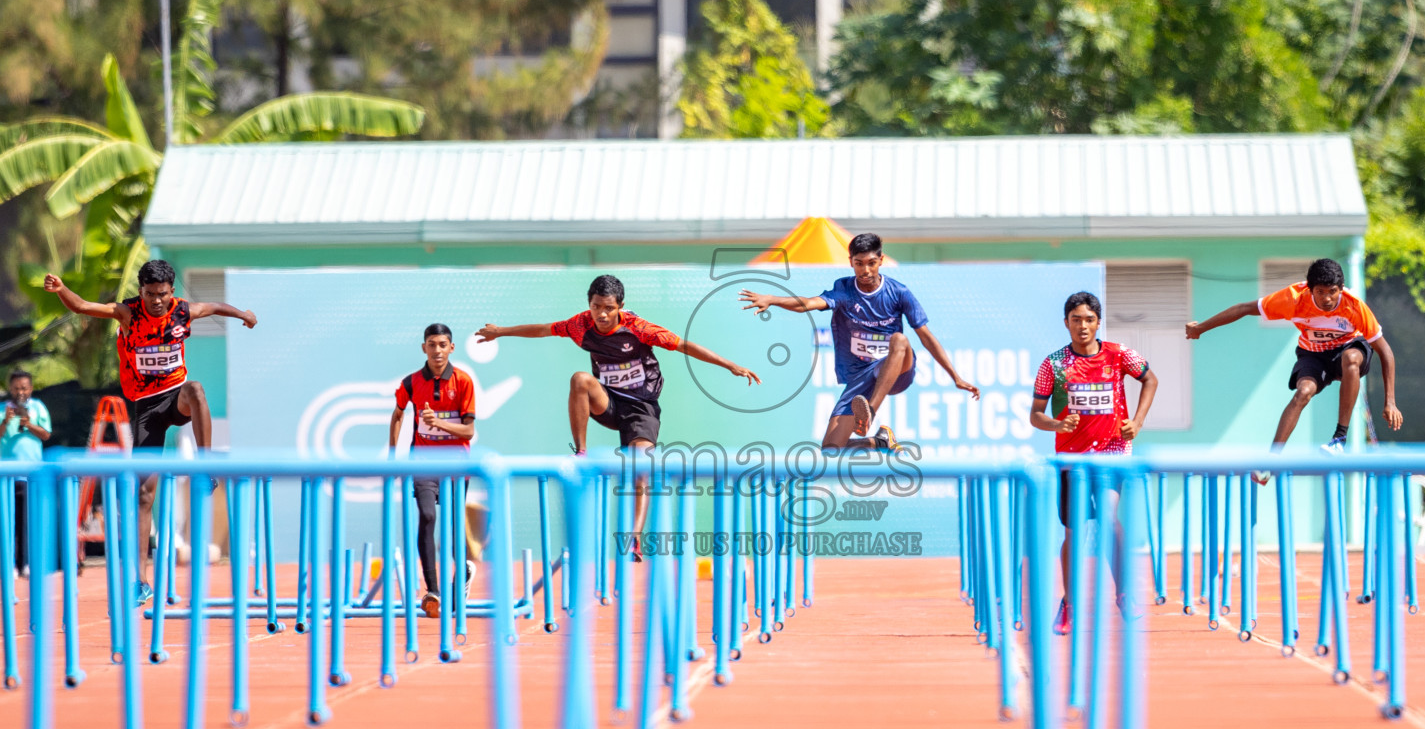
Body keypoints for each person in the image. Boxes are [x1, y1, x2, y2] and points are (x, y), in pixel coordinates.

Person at [476, 274, 760, 552]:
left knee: (641, 467)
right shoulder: (580, 325)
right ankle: (581, 453)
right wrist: (500, 331)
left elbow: (684, 346)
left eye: (609, 308)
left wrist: (731, 365)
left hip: (641, 408)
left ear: (620, 307)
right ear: (590, 303)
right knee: (580, 379)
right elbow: (542, 329)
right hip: (608, 403)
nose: (601, 314)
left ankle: (633, 537)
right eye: (596, 306)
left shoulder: (639, 328)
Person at [45, 260, 258, 602]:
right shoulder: (127, 313)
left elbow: (216, 306)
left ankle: (204, 469)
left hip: (177, 397)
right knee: (144, 495)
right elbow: (83, 306)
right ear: (140, 291)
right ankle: (140, 581)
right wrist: (61, 291)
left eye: (162, 294)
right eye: (149, 294)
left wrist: (243, 314)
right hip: (147, 409)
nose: (156, 301)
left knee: (197, 389)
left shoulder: (182, 311)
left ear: (171, 292)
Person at [739, 233, 978, 452]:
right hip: (861, 377)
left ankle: (870, 413)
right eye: (859, 264)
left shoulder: (899, 293)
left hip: (896, 372)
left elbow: (926, 337)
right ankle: (880, 441)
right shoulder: (843, 290)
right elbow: (809, 303)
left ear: (881, 260)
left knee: (900, 340)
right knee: (830, 451)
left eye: (871, 263)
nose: (865, 270)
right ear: (851, 261)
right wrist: (772, 298)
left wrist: (955, 376)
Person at [1185, 258, 1402, 480]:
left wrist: (1390, 402)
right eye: (1320, 292)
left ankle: (1339, 439)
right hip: (1313, 353)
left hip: (1349, 349)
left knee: (1351, 358)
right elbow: (1244, 308)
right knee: (1303, 392)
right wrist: (1200, 328)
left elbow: (1385, 351)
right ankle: (1272, 460)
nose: (1327, 299)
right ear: (1310, 290)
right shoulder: (1293, 299)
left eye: (1333, 292)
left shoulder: (1353, 305)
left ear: (1341, 289)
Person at [1030, 291, 1158, 636]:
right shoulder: (1053, 364)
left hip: (1112, 452)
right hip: (1071, 459)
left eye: (1089, 319)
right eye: (1076, 319)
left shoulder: (1118, 355)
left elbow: (1150, 379)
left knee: (1108, 518)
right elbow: (1036, 416)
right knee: (1073, 530)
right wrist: (1057, 424)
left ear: (1098, 322)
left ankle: (1124, 593)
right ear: (1066, 323)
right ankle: (1070, 604)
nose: (1083, 326)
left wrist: (1139, 421)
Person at [388, 323, 476, 619]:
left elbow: (469, 430)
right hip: (423, 463)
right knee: (427, 517)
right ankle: (433, 591)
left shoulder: (463, 381)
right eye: (431, 344)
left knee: (451, 531)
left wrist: (439, 423)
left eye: (442, 344)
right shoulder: (411, 382)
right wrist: (391, 454)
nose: (437, 350)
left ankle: (462, 571)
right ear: (423, 348)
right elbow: (398, 414)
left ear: (451, 348)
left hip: (456, 466)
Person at [1, 369, 52, 577]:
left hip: (32, 474)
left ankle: (29, 564)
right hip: (7, 475)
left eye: (24, 388)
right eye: (16, 389)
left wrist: (28, 423)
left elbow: (46, 435)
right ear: (10, 390)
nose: (20, 392)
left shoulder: (38, 407)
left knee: (31, 522)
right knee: (8, 522)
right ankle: (10, 564)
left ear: (30, 388)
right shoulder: (3, 409)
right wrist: (6, 421)